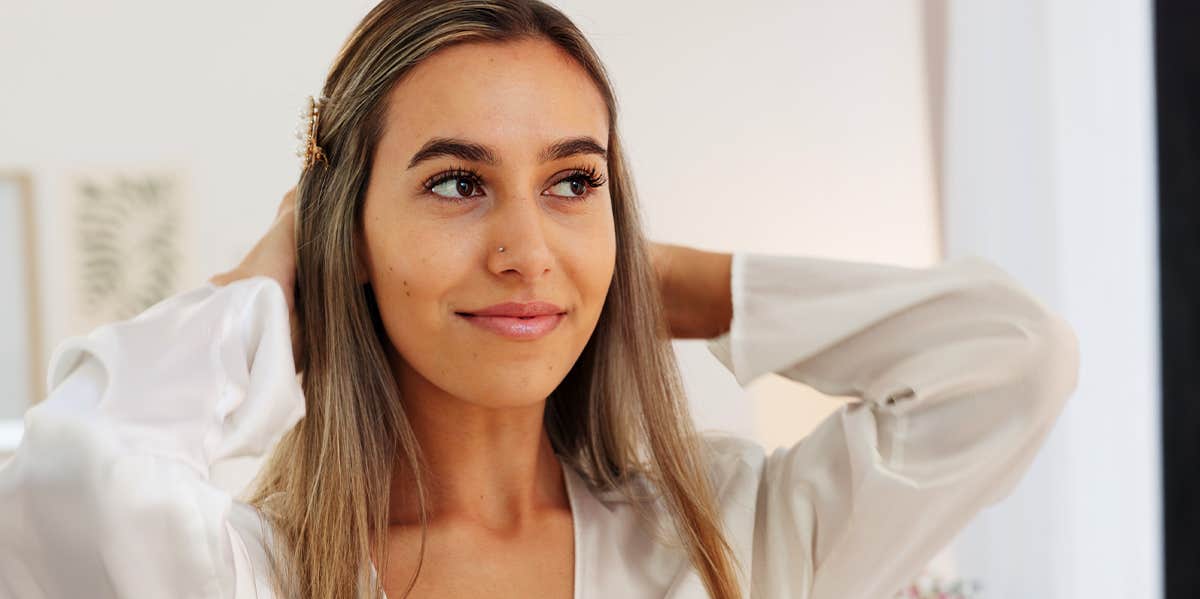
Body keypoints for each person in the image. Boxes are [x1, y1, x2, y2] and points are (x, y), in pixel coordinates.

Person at [0, 1, 1080, 598]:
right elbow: (63, 471)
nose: (524, 250)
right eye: (457, 184)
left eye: (573, 180)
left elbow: (1011, 358)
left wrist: (643, 279)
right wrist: (270, 280)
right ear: (351, 234)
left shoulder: (732, 543)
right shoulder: (257, 573)